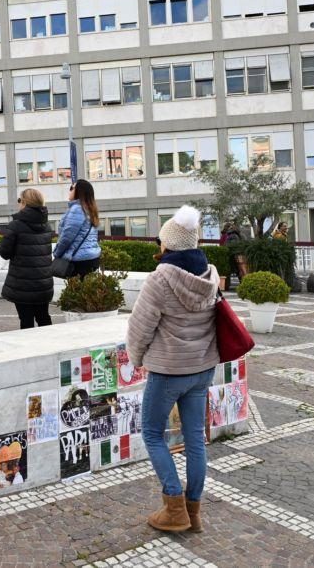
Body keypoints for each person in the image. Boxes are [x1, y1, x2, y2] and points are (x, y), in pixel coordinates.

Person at [126, 204, 220, 535]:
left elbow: (140, 328)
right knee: (195, 438)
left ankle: (174, 506)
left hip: (168, 370)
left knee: (152, 433)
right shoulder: (210, 273)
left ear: (169, 244)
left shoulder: (160, 279)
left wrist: (136, 359)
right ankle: (193, 512)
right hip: (202, 368)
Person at [0, 188, 54, 329]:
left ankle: (30, 350)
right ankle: (51, 346)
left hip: (23, 284)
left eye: (20, 200)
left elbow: (4, 252)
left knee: (26, 320)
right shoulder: (47, 225)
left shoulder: (15, 225)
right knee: (44, 317)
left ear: (24, 202)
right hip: (43, 282)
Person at [54, 179, 101, 278]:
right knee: (86, 291)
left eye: (72, 188)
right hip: (93, 258)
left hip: (79, 261)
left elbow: (67, 237)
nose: (70, 190)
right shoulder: (90, 209)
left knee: (76, 291)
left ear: (79, 191)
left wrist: (57, 253)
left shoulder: (77, 209)